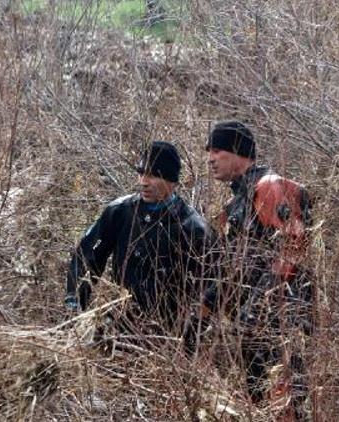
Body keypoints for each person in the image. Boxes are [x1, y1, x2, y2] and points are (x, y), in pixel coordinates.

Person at [186, 121, 312, 418]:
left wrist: (259, 305)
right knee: (260, 406)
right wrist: (202, 311)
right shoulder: (238, 201)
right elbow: (236, 267)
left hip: (282, 325)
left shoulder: (268, 187)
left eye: (217, 150)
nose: (210, 158)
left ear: (238, 152)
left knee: (285, 406)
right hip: (255, 331)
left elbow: (296, 244)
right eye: (208, 151)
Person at [65, 141, 212, 334]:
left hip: (166, 334)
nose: (143, 181)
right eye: (141, 173)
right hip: (117, 322)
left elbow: (212, 287)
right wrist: (75, 305)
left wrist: (190, 335)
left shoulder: (193, 227)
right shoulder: (120, 211)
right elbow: (87, 257)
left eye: (152, 175)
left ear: (171, 180)